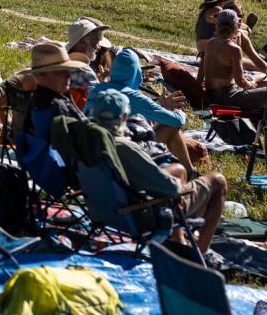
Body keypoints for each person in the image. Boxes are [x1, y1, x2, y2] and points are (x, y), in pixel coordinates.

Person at [87, 89, 227, 254]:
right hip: (142, 215)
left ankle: (179, 239)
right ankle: (198, 254)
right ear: (124, 118)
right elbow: (170, 188)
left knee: (177, 170)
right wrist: (185, 184)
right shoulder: (124, 147)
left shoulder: (88, 142)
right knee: (218, 181)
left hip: (102, 210)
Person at [91, 49, 193, 172]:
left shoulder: (96, 88)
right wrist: (180, 113)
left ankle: (189, 171)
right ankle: (189, 172)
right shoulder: (134, 97)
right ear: (136, 73)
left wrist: (162, 107)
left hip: (94, 150)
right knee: (171, 126)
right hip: (122, 154)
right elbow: (176, 121)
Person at [199, 9, 267, 116]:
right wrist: (251, 85)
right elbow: (241, 82)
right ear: (236, 25)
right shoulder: (233, 49)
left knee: (263, 77)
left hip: (213, 94)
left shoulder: (210, 42)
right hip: (227, 98)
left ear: (217, 25)